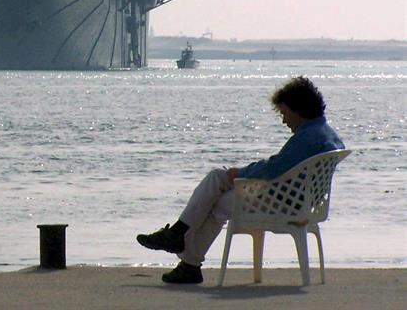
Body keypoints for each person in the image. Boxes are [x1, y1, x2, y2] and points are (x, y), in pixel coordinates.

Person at [136, 76, 344, 284]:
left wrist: (241, 172)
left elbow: (274, 168)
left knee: (217, 199)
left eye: (284, 113)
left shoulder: (307, 138)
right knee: (217, 179)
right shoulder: (328, 135)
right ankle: (181, 246)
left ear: (298, 110)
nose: (284, 120)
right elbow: (281, 167)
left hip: (281, 204)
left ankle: (185, 254)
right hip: (304, 203)